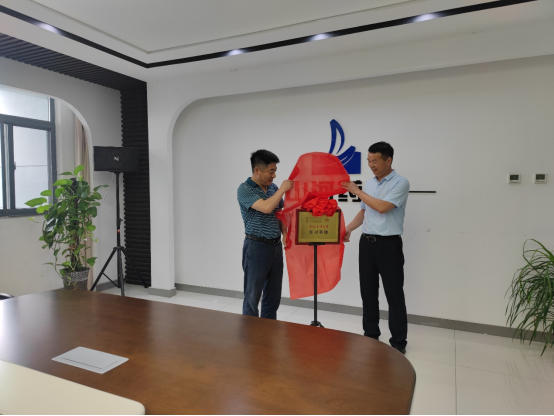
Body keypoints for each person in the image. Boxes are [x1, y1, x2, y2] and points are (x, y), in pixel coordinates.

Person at [341, 142, 410, 354]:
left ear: (388, 160)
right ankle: (371, 335)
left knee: (394, 294)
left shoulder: (401, 183)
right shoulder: (370, 184)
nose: (371, 165)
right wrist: (348, 228)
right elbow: (365, 211)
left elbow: (381, 207)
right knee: (368, 292)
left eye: (375, 161)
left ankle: (398, 342)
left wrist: (356, 190)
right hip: (367, 244)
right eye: (369, 161)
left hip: (389, 245)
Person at [237, 150, 294, 320]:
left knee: (273, 295)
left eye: (275, 171)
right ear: (257, 170)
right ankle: (251, 331)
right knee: (252, 296)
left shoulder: (273, 188)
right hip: (256, 247)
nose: (274, 176)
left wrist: (285, 233)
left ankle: (269, 329)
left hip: (275, 247)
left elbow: (279, 212)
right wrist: (282, 190)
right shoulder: (245, 189)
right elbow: (266, 207)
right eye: (271, 171)